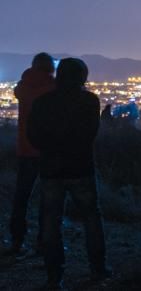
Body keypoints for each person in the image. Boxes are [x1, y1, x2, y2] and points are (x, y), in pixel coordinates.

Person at [27, 57, 111, 288]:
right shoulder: (89, 101)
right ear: (82, 77)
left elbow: (32, 135)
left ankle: (54, 275)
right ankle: (98, 267)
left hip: (50, 169)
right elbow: (90, 134)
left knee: (51, 222)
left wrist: (48, 149)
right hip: (80, 167)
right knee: (91, 217)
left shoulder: (43, 102)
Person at [5, 52, 56, 258]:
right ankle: (43, 242)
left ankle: (17, 240)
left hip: (25, 148)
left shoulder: (22, 88)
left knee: (21, 197)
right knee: (48, 198)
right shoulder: (54, 89)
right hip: (47, 150)